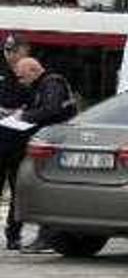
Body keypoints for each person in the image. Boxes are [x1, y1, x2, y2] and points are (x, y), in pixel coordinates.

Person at [12, 58, 76, 252]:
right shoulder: (45, 84)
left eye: (22, 77)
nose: (21, 81)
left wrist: (24, 117)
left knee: (47, 189)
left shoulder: (52, 83)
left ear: (34, 70)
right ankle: (47, 236)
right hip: (55, 142)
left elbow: (51, 110)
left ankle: (47, 238)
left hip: (57, 144)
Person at [0, 35, 33, 250]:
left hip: (20, 140)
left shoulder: (31, 73)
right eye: (7, 50)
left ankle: (14, 234)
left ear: (25, 51)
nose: (10, 55)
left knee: (19, 191)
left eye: (15, 51)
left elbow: (40, 103)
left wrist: (24, 112)